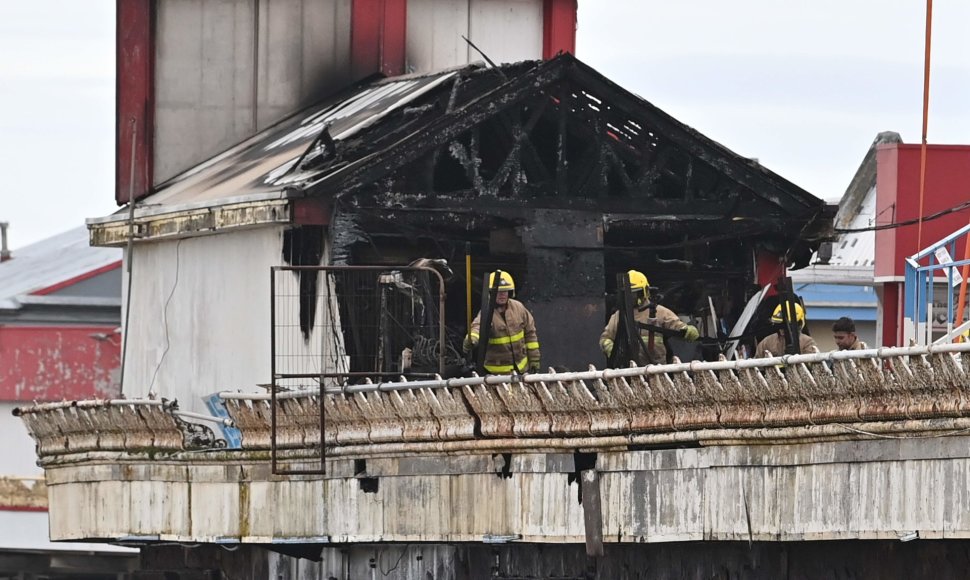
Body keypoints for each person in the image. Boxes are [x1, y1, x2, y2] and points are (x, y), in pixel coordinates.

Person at [599, 270, 699, 365]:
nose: (632, 296)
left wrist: (688, 331)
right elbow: (605, 339)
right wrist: (616, 352)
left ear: (645, 291)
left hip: (658, 370)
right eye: (629, 293)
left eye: (636, 293)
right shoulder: (619, 316)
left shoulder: (659, 312)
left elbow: (678, 326)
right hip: (630, 370)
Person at [463, 270, 541, 374]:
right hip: (496, 374)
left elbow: (530, 334)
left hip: (521, 371)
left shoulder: (519, 308)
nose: (502, 295)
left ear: (510, 292)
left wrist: (534, 359)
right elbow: (477, 327)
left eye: (505, 291)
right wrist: (471, 338)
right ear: (490, 293)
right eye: (498, 292)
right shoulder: (487, 312)